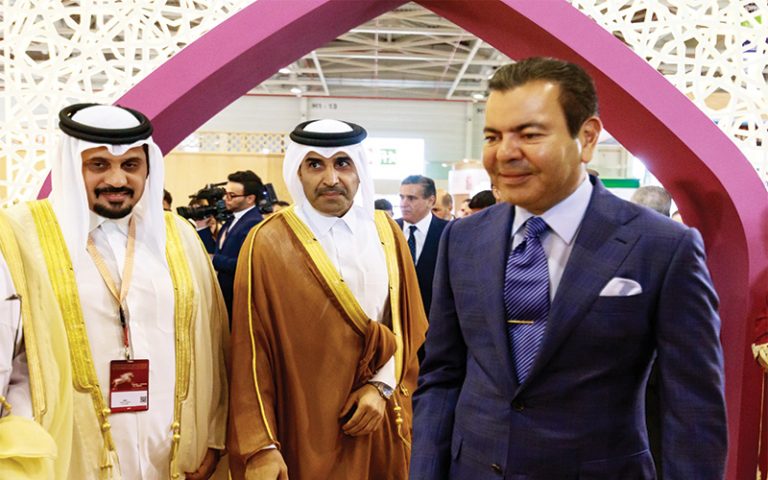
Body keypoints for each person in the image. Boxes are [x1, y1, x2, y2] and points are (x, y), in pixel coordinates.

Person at [410, 57, 727, 479]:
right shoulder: (465, 239)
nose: (505, 153)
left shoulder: (662, 246)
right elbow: (442, 376)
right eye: (493, 136)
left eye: (529, 134)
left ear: (588, 137)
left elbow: (693, 409)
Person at [4, 103, 229, 479]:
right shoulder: (18, 235)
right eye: (98, 165)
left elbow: (214, 341)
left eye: (130, 165)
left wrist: (213, 434)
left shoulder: (178, 237)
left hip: (169, 452)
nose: (117, 179)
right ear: (71, 166)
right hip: (67, 453)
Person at [227, 119, 427, 480]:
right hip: (302, 427)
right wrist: (263, 445)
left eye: (343, 163)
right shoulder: (267, 242)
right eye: (315, 164)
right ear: (298, 172)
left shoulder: (387, 232)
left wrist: (380, 388)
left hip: (377, 418)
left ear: (359, 170)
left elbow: (408, 323)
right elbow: (250, 351)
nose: (331, 178)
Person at [198, 170, 264, 317]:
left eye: (231, 196)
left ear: (250, 199)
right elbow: (215, 251)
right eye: (225, 194)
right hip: (224, 296)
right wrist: (202, 227)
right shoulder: (232, 220)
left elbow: (246, 264)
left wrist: (214, 260)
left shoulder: (254, 223)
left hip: (238, 299)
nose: (225, 199)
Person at [397, 175, 448, 316]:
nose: (404, 203)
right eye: (402, 197)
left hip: (433, 320)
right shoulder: (388, 229)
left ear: (430, 201)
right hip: (394, 321)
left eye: (411, 198)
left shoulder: (448, 233)